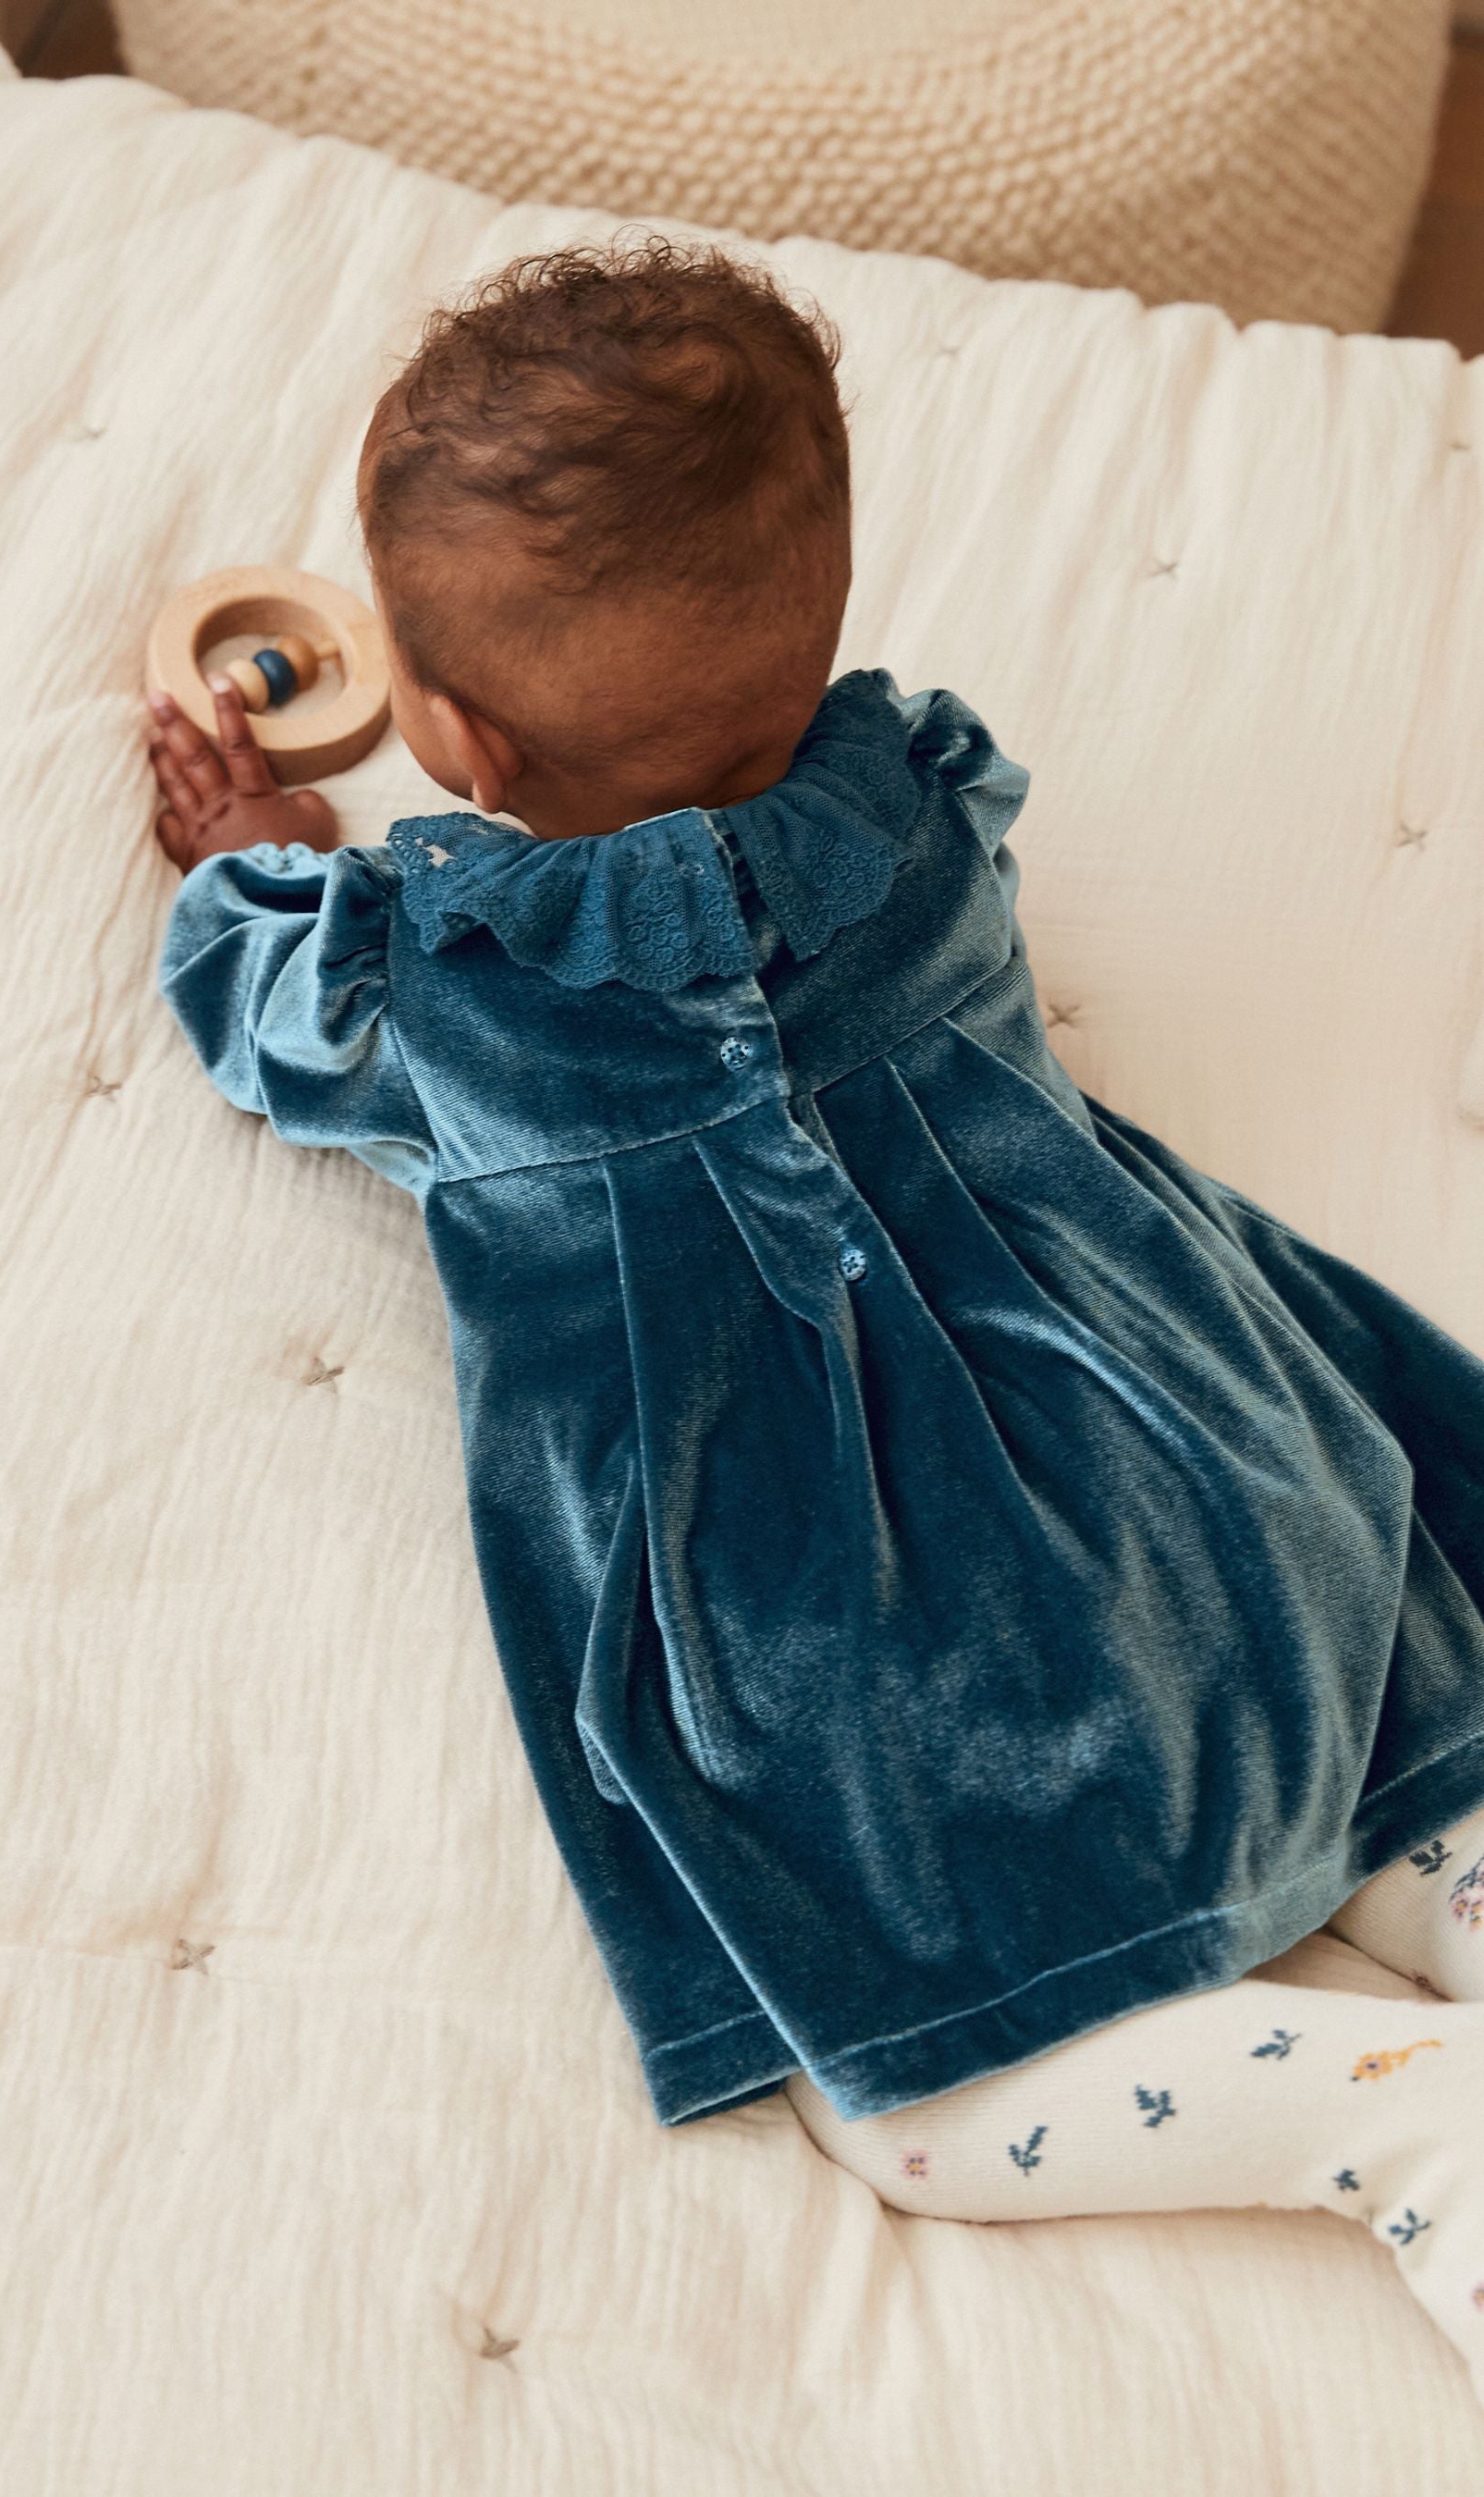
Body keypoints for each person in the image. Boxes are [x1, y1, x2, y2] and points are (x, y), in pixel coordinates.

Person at [146, 237, 1484, 2400]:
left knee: (919, 2089)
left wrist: (258, 850)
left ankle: (1398, 2124)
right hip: (1229, 1488)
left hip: (895, 1654)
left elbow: (268, 1019)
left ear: (455, 735)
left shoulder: (475, 1009)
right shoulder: (922, 817)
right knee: (1391, 1711)